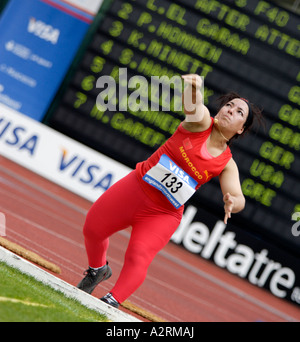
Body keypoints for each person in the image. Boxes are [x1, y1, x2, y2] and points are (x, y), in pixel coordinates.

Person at [77, 74, 263, 308]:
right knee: (92, 228)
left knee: (138, 255)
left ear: (240, 130)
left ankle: (111, 301)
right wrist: (193, 88)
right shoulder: (202, 123)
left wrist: (232, 202)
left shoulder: (227, 163)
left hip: (163, 213)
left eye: (239, 113)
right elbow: (193, 107)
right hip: (135, 188)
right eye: (229, 105)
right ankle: (97, 271)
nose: (230, 110)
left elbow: (238, 196)